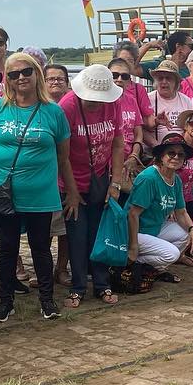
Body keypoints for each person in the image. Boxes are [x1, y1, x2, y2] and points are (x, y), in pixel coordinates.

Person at [0, 53, 77, 320]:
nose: (21, 78)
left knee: (40, 247)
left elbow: (63, 157)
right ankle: (5, 301)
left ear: (37, 73)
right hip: (4, 193)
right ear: (7, 79)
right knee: (7, 248)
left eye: (26, 72)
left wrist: (71, 192)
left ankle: (47, 300)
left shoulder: (53, 112)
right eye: (14, 74)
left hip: (40, 193)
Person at [59, 63, 125, 308]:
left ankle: (102, 283)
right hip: (71, 180)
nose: (96, 102)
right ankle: (78, 287)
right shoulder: (67, 106)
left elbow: (118, 144)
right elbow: (61, 155)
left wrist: (115, 182)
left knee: (100, 233)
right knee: (77, 234)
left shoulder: (114, 104)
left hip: (100, 179)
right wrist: (72, 192)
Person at [125, 133, 193, 292]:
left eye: (180, 155)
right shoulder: (149, 178)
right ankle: (130, 263)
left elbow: (181, 212)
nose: (176, 157)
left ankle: (152, 270)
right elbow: (132, 214)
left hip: (154, 229)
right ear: (161, 156)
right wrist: (133, 246)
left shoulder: (176, 179)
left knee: (185, 233)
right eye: (171, 153)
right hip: (134, 231)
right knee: (171, 254)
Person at [110, 58, 151, 181]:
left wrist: (134, 156)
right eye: (115, 75)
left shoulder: (131, 100)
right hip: (109, 162)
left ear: (129, 80)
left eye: (124, 76)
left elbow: (138, 133)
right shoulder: (103, 102)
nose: (119, 79)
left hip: (131, 159)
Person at [147, 60, 193, 143]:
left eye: (168, 78)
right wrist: (156, 146)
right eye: (160, 78)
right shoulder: (148, 99)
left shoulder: (186, 100)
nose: (164, 82)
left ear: (176, 82)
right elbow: (141, 129)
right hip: (154, 151)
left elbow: (191, 128)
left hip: (180, 149)